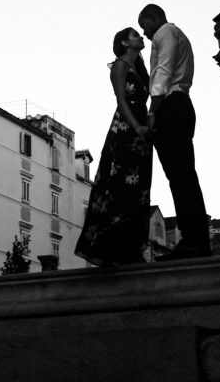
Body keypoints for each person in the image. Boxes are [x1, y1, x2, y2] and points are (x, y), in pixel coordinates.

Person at [74, 27, 153, 266]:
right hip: (126, 129)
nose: (140, 37)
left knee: (139, 188)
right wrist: (137, 127)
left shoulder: (139, 67)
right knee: (121, 185)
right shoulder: (120, 66)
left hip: (141, 129)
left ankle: (131, 248)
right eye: (135, 35)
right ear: (124, 42)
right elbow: (120, 99)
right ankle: (115, 247)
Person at [138, 3, 211, 259]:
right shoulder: (177, 34)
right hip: (179, 104)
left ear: (154, 18)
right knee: (182, 176)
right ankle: (195, 238)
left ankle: (194, 241)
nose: (145, 33)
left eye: (144, 26)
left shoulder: (165, 33)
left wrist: (152, 111)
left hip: (171, 105)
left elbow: (163, 72)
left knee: (180, 176)